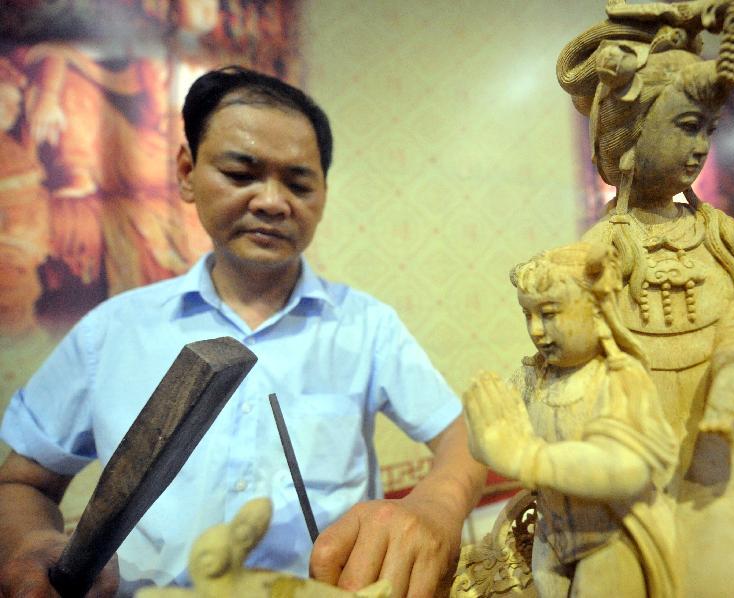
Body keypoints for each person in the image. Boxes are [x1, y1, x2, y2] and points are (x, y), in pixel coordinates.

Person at [0, 65, 486, 597]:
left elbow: (461, 438)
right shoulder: (109, 334)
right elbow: (25, 481)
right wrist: (31, 543)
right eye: (240, 173)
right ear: (188, 172)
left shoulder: (366, 326)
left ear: (323, 192)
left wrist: (435, 507)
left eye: (299, 182)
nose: (272, 202)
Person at [555, 1, 734, 594]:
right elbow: (564, 358)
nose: (701, 147)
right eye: (688, 126)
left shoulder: (718, 235)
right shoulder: (598, 255)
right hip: (629, 472)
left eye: (709, 131)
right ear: (632, 135)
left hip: (725, 464)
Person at [463, 243, 678, 597]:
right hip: (552, 530)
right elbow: (495, 438)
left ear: (598, 313)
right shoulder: (535, 377)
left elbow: (628, 468)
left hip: (611, 536)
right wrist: (484, 436)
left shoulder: (619, 379)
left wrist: (527, 457)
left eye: (548, 314)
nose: (535, 330)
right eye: (527, 315)